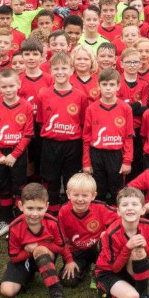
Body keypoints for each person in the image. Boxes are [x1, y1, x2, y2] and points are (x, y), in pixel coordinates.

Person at [0, 183, 69, 298]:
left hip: (46, 255)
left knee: (40, 250)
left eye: (39, 208)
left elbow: (61, 247)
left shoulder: (53, 223)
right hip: (23, 259)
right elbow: (14, 257)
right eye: (30, 208)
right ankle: (28, 275)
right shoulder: (15, 226)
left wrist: (39, 245)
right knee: (7, 291)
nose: (35, 213)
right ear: (21, 206)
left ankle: (56, 293)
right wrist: (27, 251)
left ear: (47, 207)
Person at [0, 69, 34, 237]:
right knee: (3, 189)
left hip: (17, 154)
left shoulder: (25, 106)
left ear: (18, 85)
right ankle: (6, 221)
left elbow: (28, 133)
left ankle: (19, 222)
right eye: (4, 87)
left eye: (12, 85)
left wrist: (15, 154)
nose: (9, 89)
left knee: (19, 188)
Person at [33, 52, 86, 205]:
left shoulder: (80, 95)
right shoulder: (44, 94)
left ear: (71, 70)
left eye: (64, 68)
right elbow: (41, 120)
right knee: (51, 178)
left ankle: (70, 209)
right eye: (56, 69)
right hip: (50, 143)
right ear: (50, 71)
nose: (60, 72)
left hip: (72, 145)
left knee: (71, 178)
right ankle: (53, 209)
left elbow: (81, 122)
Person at [95, 187, 149, 298]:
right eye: (125, 205)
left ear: (143, 210)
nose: (130, 208)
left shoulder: (148, 225)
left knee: (139, 249)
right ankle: (104, 292)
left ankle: (143, 295)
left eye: (135, 204)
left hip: (127, 268)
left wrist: (144, 245)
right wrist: (127, 247)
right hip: (108, 273)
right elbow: (115, 268)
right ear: (118, 211)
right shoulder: (110, 233)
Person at [82, 69, 134, 201]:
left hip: (116, 155)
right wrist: (86, 162)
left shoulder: (125, 108)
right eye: (104, 85)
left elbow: (128, 137)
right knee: (98, 189)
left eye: (111, 85)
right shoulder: (92, 108)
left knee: (116, 190)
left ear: (118, 86)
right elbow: (86, 137)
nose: (108, 88)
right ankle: (99, 216)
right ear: (98, 86)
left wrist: (127, 161)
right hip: (96, 154)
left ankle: (116, 217)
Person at [57, 173, 117, 287]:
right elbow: (60, 239)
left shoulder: (100, 207)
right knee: (69, 282)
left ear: (93, 196)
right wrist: (69, 260)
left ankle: (101, 270)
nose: (80, 199)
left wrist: (108, 232)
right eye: (76, 195)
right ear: (68, 194)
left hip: (97, 248)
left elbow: (120, 217)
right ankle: (84, 268)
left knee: (105, 240)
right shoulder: (64, 212)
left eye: (85, 195)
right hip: (76, 251)